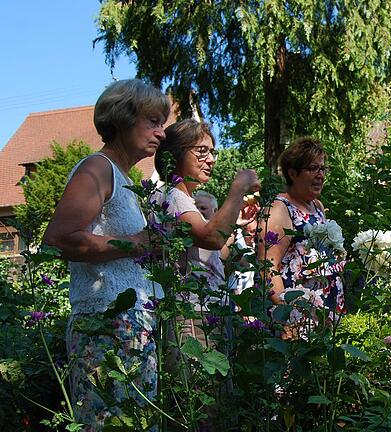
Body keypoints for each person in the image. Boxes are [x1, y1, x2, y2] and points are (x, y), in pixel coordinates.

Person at [42, 79, 170, 429]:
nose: (161, 132)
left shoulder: (127, 181)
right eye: (153, 121)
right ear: (124, 118)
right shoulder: (97, 168)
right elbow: (60, 238)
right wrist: (138, 243)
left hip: (130, 326)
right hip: (105, 327)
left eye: (163, 123)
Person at [153, 119, 260, 342]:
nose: (210, 160)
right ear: (176, 153)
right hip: (191, 314)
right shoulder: (171, 197)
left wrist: (234, 223)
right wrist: (239, 187)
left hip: (208, 311)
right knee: (198, 376)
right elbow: (211, 238)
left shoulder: (187, 201)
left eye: (212, 152)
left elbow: (215, 256)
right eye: (202, 151)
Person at [258, 137, 345, 336]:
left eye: (323, 169)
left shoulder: (317, 207)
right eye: (314, 169)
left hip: (322, 313)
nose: (321, 175)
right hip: (295, 319)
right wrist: (288, 318)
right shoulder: (279, 209)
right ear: (293, 173)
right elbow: (266, 268)